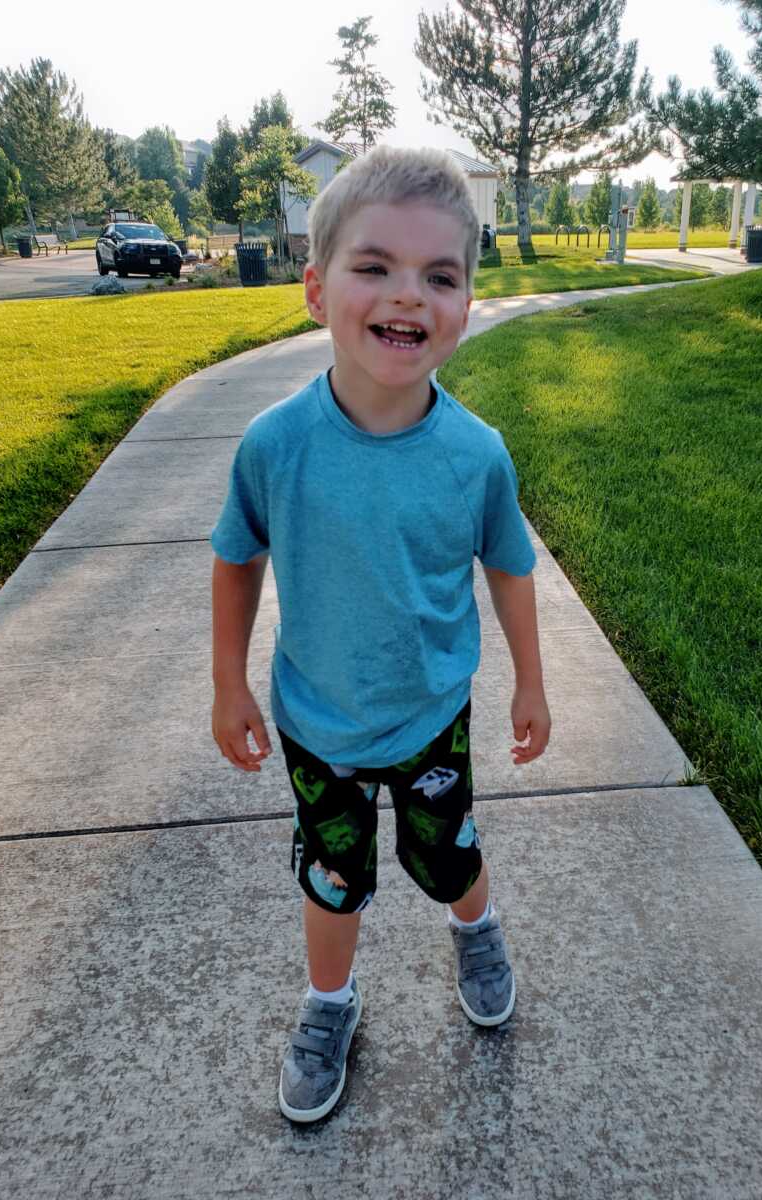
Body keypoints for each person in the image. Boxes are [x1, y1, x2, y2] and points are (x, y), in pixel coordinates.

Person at [210, 145, 551, 1124]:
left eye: (439, 275)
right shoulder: (275, 445)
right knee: (332, 871)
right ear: (316, 289)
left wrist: (531, 682)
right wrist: (227, 684)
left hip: (434, 713)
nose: (409, 296)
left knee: (451, 852)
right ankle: (329, 1005)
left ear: (466, 305)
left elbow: (510, 565)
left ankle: (474, 933)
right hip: (318, 719)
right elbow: (238, 558)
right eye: (375, 266)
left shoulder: (476, 454)